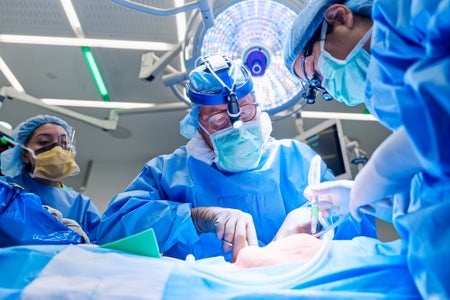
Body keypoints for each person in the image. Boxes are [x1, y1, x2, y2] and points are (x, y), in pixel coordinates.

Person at [97, 54, 376, 262]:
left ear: (258, 104)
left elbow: (356, 237)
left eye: (246, 111)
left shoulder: (296, 160)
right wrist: (194, 217)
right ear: (197, 124)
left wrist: (317, 217)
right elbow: (111, 231)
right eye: (219, 119)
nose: (237, 126)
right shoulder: (168, 173)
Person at [283, 0, 449, 298]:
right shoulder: (394, 96)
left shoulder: (416, 9)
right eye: (316, 88)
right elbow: (437, 184)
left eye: (316, 74)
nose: (327, 89)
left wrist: (383, 169)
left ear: (339, 16)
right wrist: (379, 198)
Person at [0, 114, 101, 245]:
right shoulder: (6, 190)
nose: (58, 150)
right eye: (44, 142)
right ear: (25, 155)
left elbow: (99, 247)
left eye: (64, 143)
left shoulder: (81, 205)